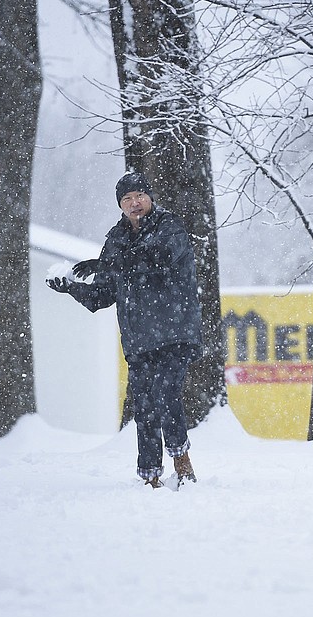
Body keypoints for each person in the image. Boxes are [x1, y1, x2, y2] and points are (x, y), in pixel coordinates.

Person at [47, 172, 202, 490]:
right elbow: (101, 296)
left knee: (166, 392)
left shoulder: (169, 227)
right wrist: (71, 288)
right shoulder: (115, 240)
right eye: (127, 198)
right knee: (144, 406)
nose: (135, 203)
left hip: (176, 330)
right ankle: (150, 476)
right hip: (139, 337)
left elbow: (158, 260)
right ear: (120, 205)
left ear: (151, 198)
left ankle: (182, 462)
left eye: (140, 196)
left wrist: (108, 264)